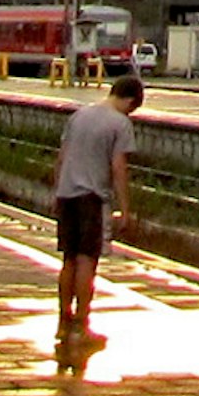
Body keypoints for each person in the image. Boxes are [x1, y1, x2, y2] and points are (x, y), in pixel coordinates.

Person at [51, 73, 140, 336]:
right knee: (87, 260)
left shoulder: (79, 115)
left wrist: (57, 192)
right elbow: (118, 168)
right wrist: (125, 209)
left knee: (68, 259)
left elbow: (62, 158)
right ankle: (81, 322)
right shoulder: (120, 123)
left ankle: (64, 318)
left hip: (66, 193)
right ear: (131, 101)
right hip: (92, 198)